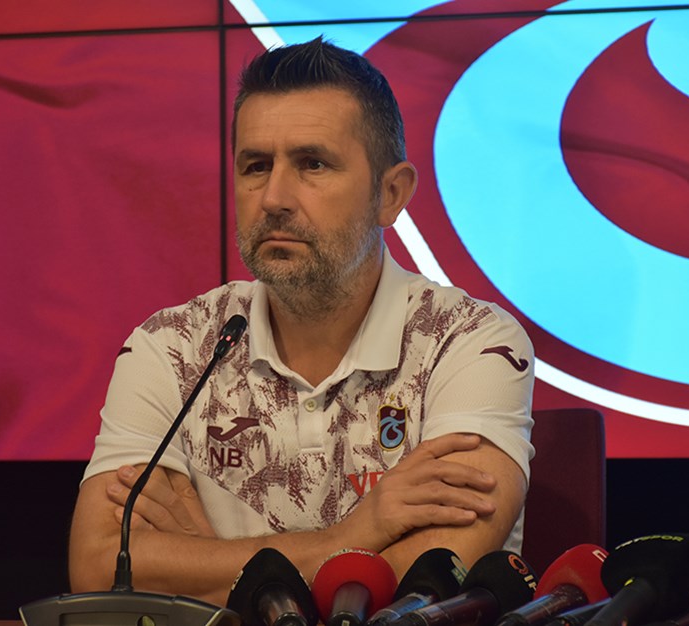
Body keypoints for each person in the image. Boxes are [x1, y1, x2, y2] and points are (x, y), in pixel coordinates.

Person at [68, 37, 535, 605]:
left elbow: (432, 575)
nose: (274, 198)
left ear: (391, 194)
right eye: (256, 166)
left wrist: (204, 561)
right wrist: (354, 536)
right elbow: (99, 567)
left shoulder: (469, 341)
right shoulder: (171, 346)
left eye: (313, 164)